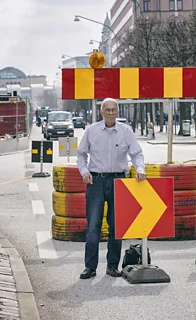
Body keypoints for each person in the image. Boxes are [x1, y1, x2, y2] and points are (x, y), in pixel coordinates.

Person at [77, 97, 146, 280]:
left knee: (116, 226)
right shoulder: (91, 131)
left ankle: (112, 266)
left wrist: (140, 169)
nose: (110, 113)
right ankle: (90, 267)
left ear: (118, 112)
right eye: (107, 110)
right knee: (93, 226)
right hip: (96, 182)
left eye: (113, 110)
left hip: (119, 182)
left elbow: (137, 153)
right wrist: (84, 171)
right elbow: (81, 155)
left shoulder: (126, 131)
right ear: (101, 112)